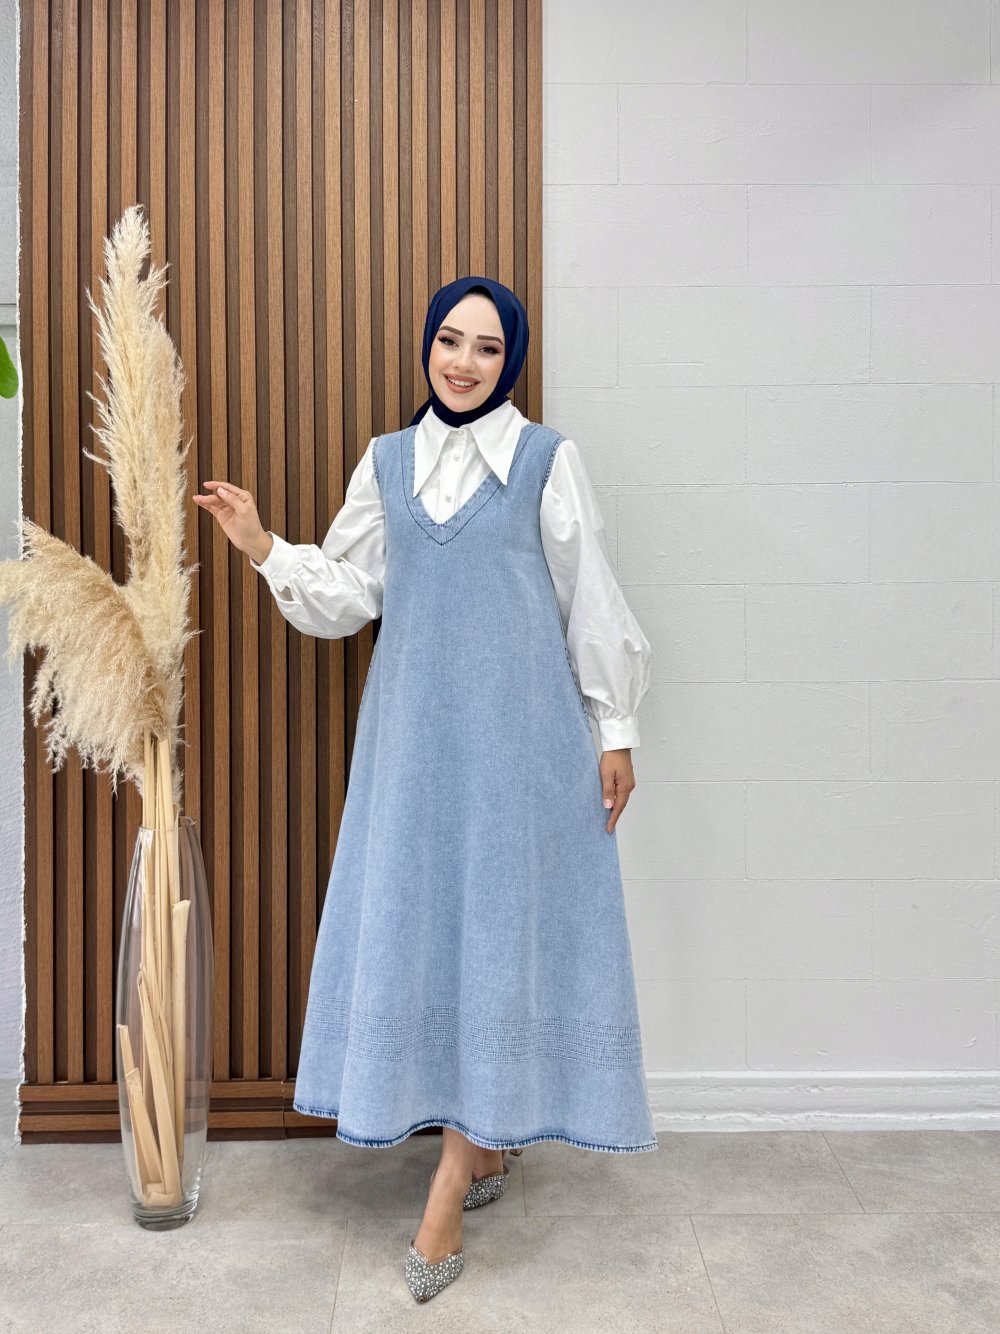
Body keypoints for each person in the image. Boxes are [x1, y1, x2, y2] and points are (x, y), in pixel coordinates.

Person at [192, 275, 658, 1304]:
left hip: (521, 751)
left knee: (497, 938)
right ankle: (482, 1142)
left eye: (487, 347)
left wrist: (615, 729)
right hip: (411, 748)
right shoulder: (387, 462)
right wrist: (262, 544)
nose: (464, 362)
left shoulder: (545, 459)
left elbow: (590, 599)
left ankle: (450, 1182)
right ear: (428, 347)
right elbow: (348, 594)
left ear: (510, 361)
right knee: (433, 934)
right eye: (450, 340)